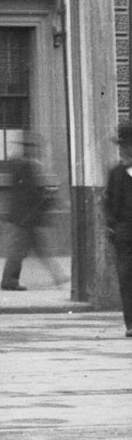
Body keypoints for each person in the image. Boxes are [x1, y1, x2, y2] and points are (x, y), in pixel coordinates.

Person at [0, 134, 66, 291]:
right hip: (25, 217)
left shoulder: (20, 165)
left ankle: (57, 276)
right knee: (19, 251)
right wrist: (50, 200)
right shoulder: (26, 166)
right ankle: (9, 281)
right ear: (28, 149)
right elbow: (30, 193)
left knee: (38, 249)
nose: (36, 151)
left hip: (25, 216)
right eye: (33, 148)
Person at [103, 124, 132, 337]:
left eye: (127, 146)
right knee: (126, 278)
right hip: (125, 235)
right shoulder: (116, 173)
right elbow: (109, 204)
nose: (123, 151)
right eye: (122, 147)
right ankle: (131, 323)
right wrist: (113, 227)